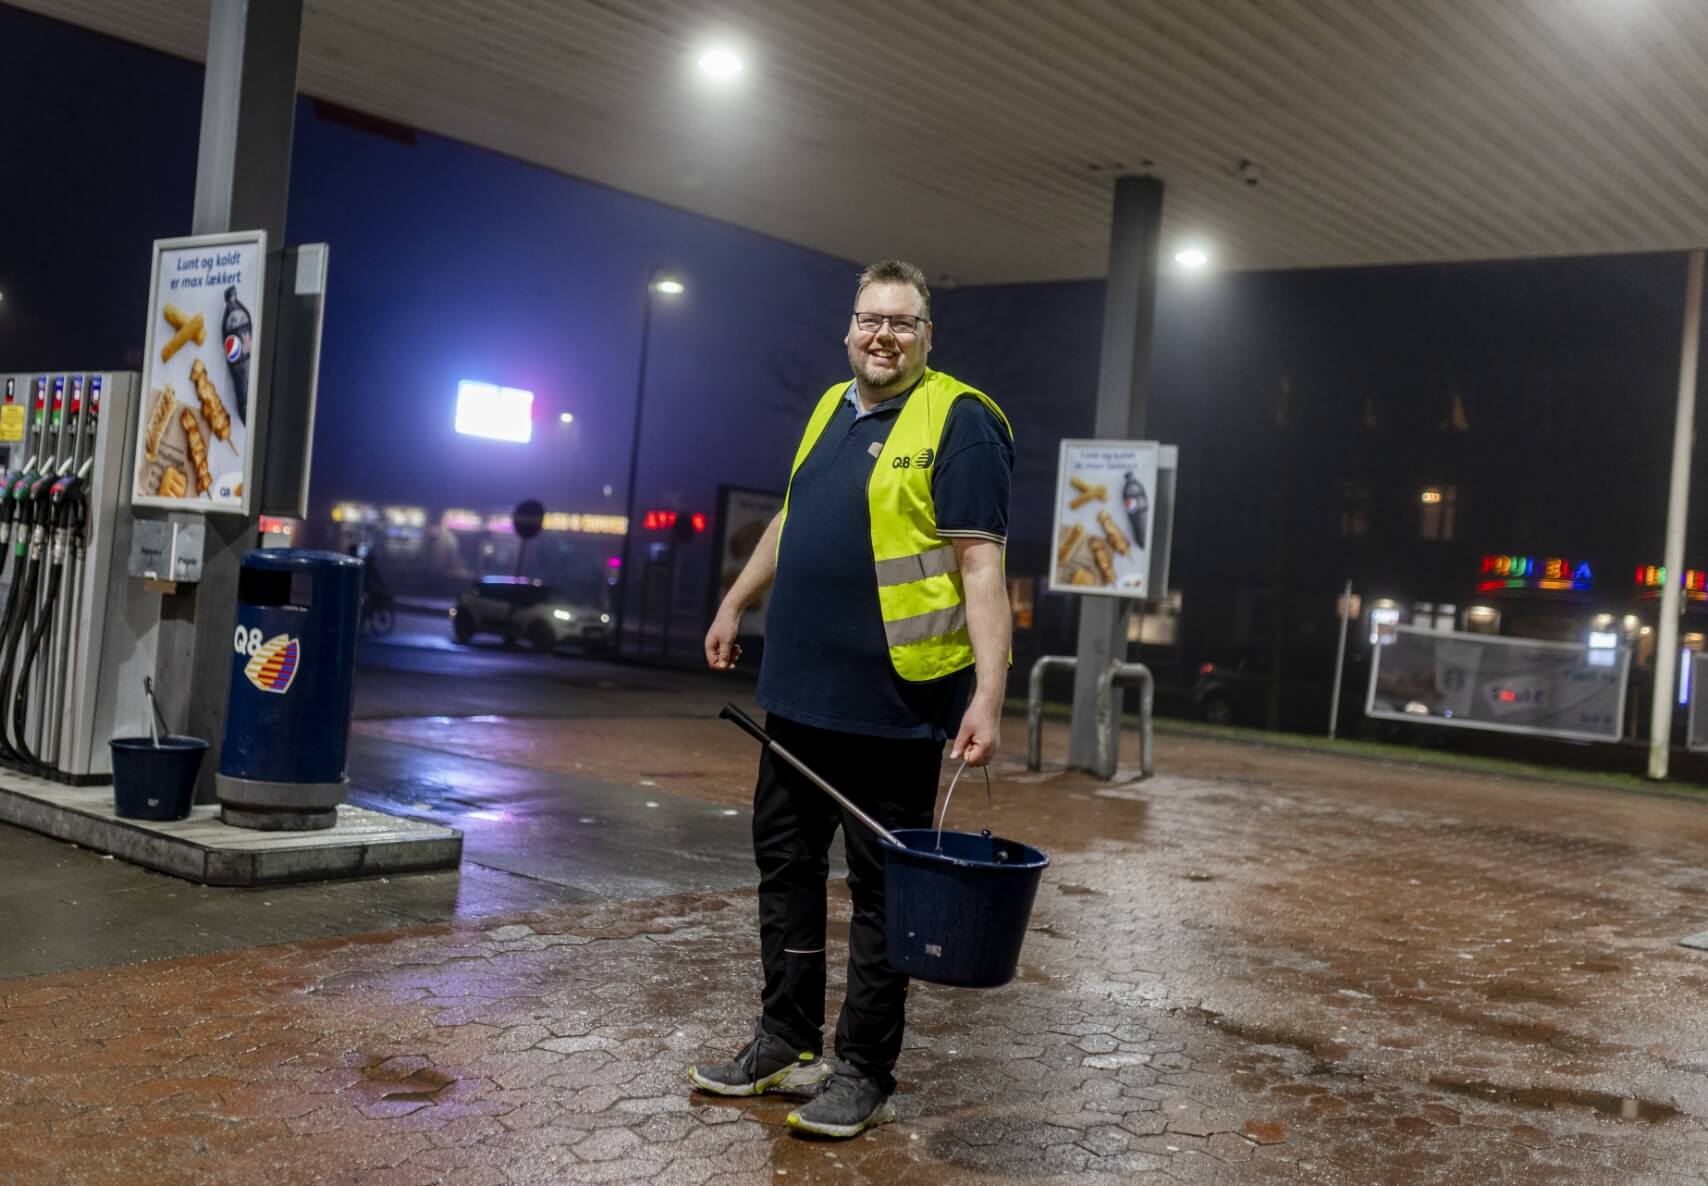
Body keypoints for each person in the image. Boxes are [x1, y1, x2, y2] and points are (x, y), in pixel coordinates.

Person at [690, 260, 1014, 1138]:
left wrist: (990, 693)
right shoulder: (831, 407)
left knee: (882, 897)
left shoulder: (961, 422)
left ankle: (863, 1069)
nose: (884, 336)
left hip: (895, 707)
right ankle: (783, 1041)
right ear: (849, 328)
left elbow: (981, 565)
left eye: (903, 323)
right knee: (787, 871)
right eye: (872, 319)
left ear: (926, 336)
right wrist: (734, 599)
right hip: (797, 697)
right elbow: (794, 521)